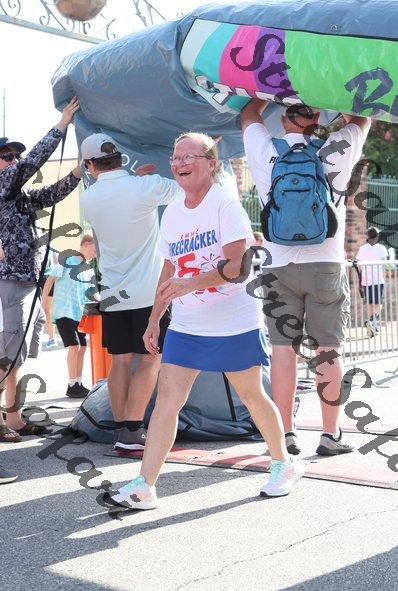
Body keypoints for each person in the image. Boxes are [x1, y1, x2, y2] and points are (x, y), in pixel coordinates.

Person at [110, 131, 304, 510]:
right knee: (167, 402)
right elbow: (168, 272)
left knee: (251, 395)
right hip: (187, 325)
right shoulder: (173, 213)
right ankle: (145, 486)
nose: (179, 163)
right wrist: (154, 319)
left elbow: (238, 266)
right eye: (175, 158)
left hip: (234, 322)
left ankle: (283, 464)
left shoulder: (224, 204)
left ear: (211, 164)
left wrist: (192, 283)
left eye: (189, 156)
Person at [241, 100, 371, 456]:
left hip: (278, 264)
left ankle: (285, 434)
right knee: (328, 349)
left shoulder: (266, 152)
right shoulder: (334, 150)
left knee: (283, 349)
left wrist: (266, 91)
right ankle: (330, 435)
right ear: (316, 117)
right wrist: (335, 101)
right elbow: (363, 116)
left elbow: (248, 115)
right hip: (325, 264)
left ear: (283, 119)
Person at [79, 133, 183, 451]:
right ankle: (132, 431)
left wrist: (136, 180)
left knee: (120, 362)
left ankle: (121, 429)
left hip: (113, 293)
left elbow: (116, 198)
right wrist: (142, 179)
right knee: (150, 360)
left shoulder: (88, 198)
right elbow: (183, 189)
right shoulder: (144, 187)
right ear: (119, 158)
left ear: (90, 165)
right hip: (148, 292)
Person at [0, 97, 81, 443]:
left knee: (15, 356)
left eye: (15, 156)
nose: (14, 160)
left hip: (25, 281)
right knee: (6, 354)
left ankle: (14, 418)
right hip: (9, 282)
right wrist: (61, 125)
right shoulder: (3, 186)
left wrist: (77, 173)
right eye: (7, 156)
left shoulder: (16, 195)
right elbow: (32, 163)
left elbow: (50, 194)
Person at [41, 234, 95, 398]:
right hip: (64, 311)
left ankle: (78, 383)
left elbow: (92, 292)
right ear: (85, 244)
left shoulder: (89, 269)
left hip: (80, 314)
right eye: (94, 250)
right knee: (74, 346)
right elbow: (50, 279)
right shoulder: (68, 260)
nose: (95, 254)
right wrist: (43, 302)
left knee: (82, 348)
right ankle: (72, 384)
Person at [356, 227, 388, 337]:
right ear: (377, 236)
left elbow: (359, 265)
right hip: (378, 280)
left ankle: (373, 327)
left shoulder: (362, 248)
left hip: (366, 280)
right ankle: (372, 320)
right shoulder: (381, 248)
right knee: (378, 303)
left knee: (370, 303)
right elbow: (385, 264)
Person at [42, 248, 58, 349]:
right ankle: (52, 338)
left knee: (45, 310)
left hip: (42, 278)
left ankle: (51, 338)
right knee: (48, 311)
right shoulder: (51, 247)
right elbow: (57, 263)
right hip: (50, 277)